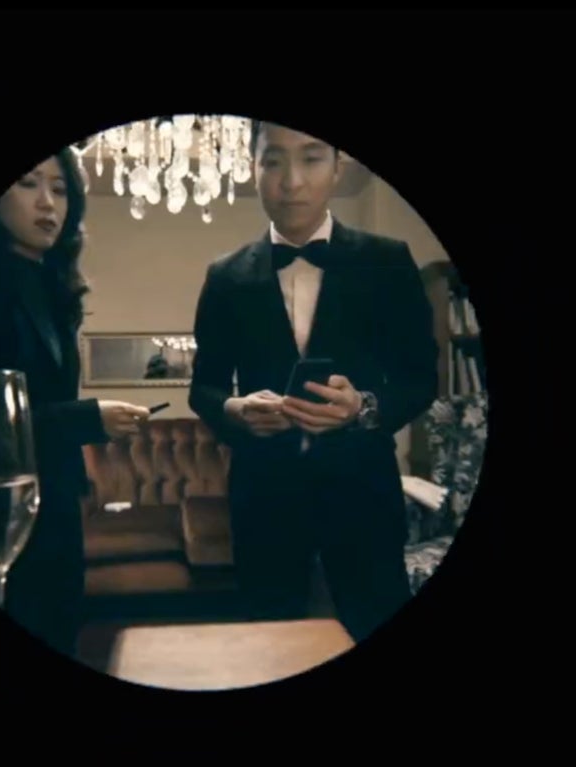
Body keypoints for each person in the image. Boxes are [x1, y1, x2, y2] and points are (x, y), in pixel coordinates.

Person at [188, 121, 439, 643]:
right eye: (273, 160)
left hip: (363, 494)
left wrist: (363, 407)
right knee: (267, 644)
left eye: (311, 157)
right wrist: (235, 410)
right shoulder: (225, 275)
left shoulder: (388, 260)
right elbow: (204, 388)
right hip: (264, 496)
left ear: (338, 166)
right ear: (253, 168)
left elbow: (420, 378)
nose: (292, 181)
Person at [0, 147, 151, 657]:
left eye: (60, 189)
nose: (48, 202)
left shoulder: (51, 284)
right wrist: (91, 417)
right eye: (28, 183)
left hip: (55, 502)